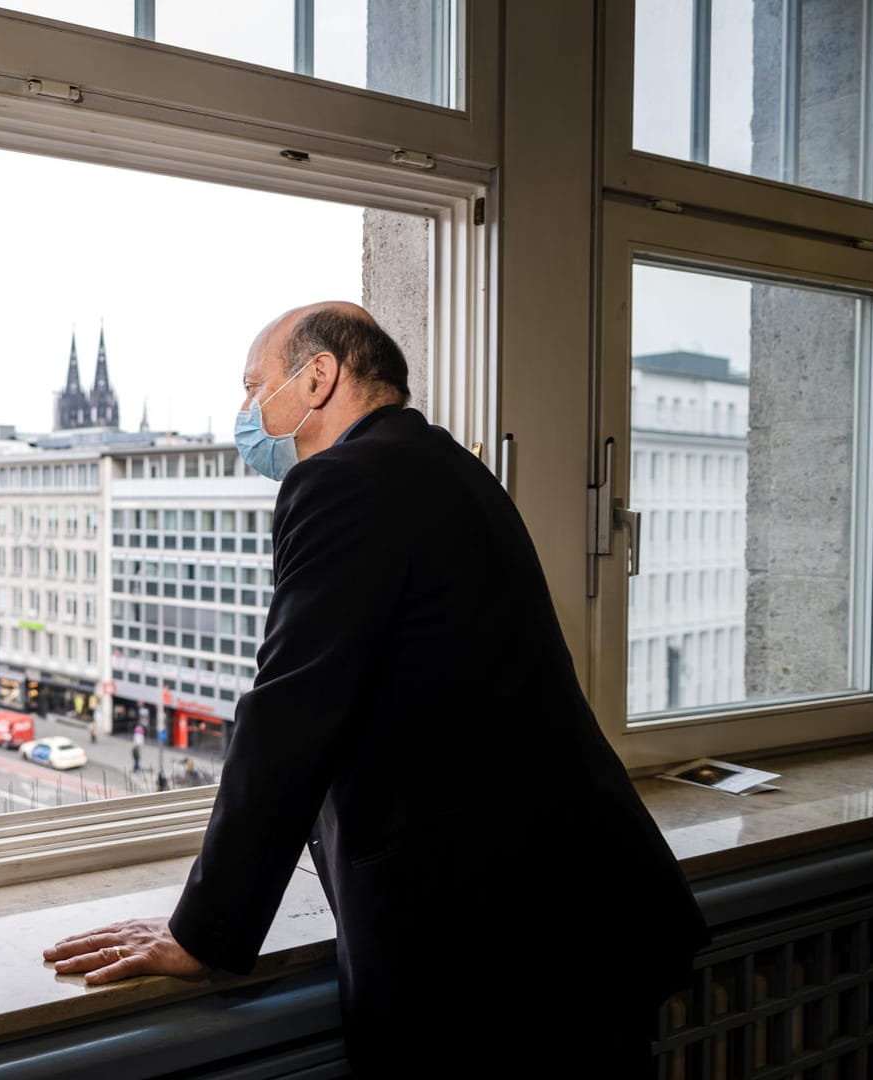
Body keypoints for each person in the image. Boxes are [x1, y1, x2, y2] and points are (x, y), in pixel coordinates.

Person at [42, 303, 707, 1077]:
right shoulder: (449, 465)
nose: (246, 414)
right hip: (582, 909)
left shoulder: (343, 481)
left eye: (254, 387)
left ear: (318, 377)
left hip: (496, 948)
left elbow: (290, 713)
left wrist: (204, 931)